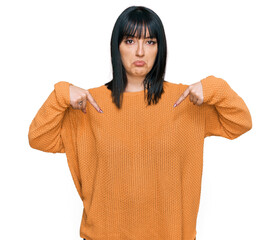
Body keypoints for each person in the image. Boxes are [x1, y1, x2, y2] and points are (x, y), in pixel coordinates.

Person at [28, 5, 252, 240]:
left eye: (150, 42)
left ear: (160, 48)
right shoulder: (89, 104)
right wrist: (61, 94)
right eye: (130, 41)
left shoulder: (186, 101)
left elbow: (240, 122)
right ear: (117, 46)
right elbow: (39, 138)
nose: (140, 52)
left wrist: (216, 88)